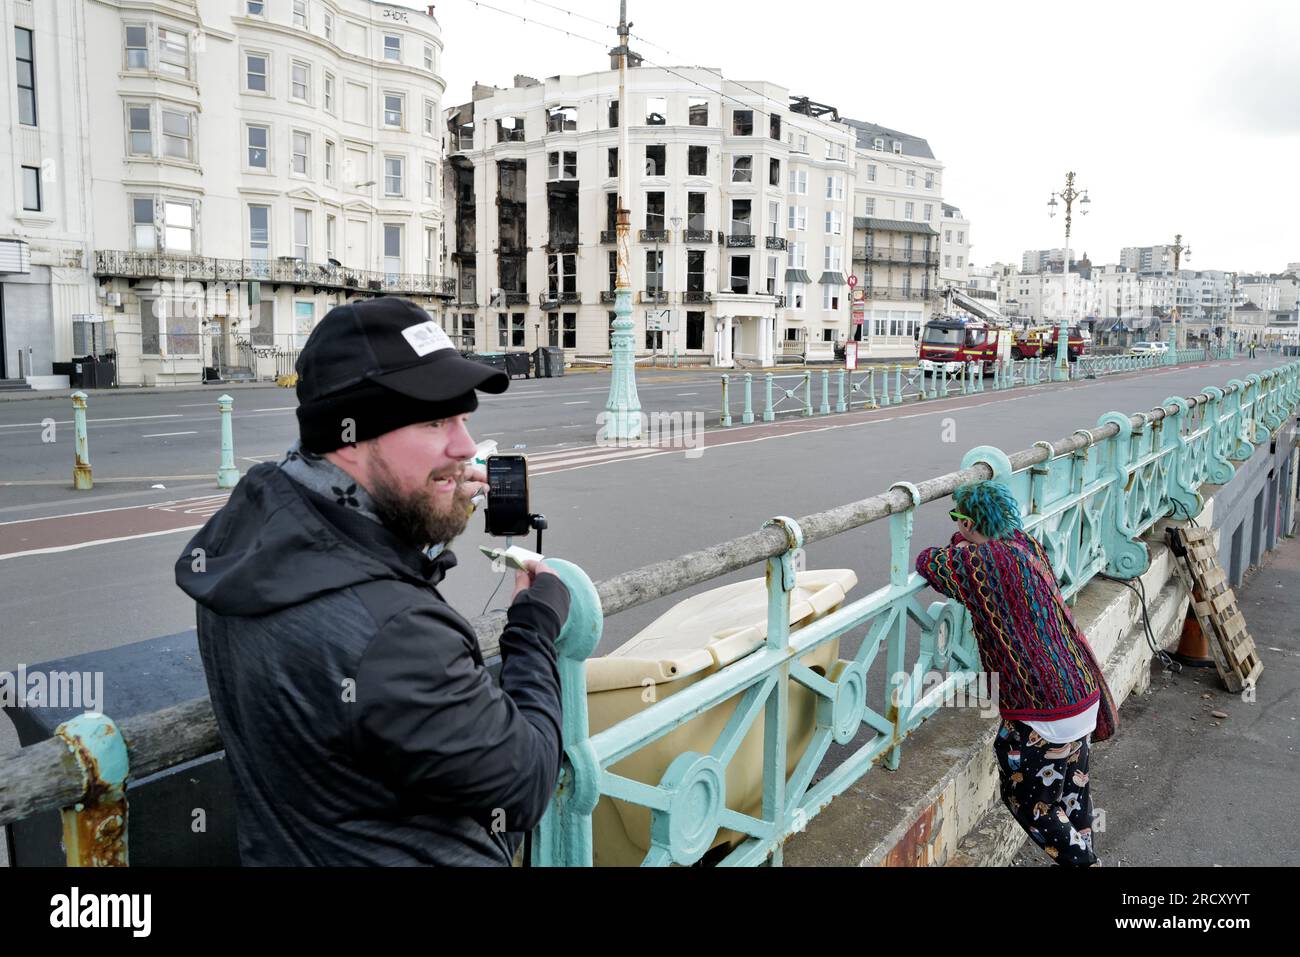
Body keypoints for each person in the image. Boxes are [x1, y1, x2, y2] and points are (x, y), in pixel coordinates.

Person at [175, 298, 570, 866]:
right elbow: (527, 781)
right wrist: (534, 628)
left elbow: (344, 558)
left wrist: (422, 519)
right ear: (352, 437)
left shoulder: (247, 537)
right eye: (436, 421)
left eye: (464, 419)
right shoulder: (400, 637)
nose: (464, 446)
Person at [915, 481, 1117, 867]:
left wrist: (961, 541)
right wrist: (968, 535)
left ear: (971, 522)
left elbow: (929, 561)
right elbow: (965, 546)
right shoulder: (1025, 545)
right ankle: (1086, 856)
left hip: (1041, 708)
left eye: (958, 518)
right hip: (1079, 691)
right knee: (1072, 796)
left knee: (1031, 804)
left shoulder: (984, 563)